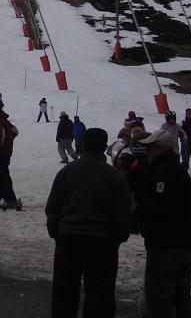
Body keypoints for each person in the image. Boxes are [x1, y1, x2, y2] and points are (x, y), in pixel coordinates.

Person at [45, 127, 132, 318]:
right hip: (102, 241)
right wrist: (118, 237)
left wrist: (56, 231)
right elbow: (124, 211)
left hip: (69, 238)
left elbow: (53, 205)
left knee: (64, 291)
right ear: (104, 147)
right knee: (100, 292)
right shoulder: (114, 176)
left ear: (83, 145)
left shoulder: (67, 172)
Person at [129, 128, 191, 318]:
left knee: (159, 296)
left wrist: (136, 213)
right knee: (181, 296)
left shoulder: (163, 173)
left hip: (165, 244)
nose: (147, 153)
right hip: (182, 243)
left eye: (150, 148)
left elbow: (157, 207)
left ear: (161, 149)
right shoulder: (177, 171)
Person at [0, 104, 19, 209]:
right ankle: (6, 198)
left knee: (0, 177)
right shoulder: (5, 121)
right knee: (1, 176)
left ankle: (7, 199)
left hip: (0, 154)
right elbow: (15, 131)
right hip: (4, 153)